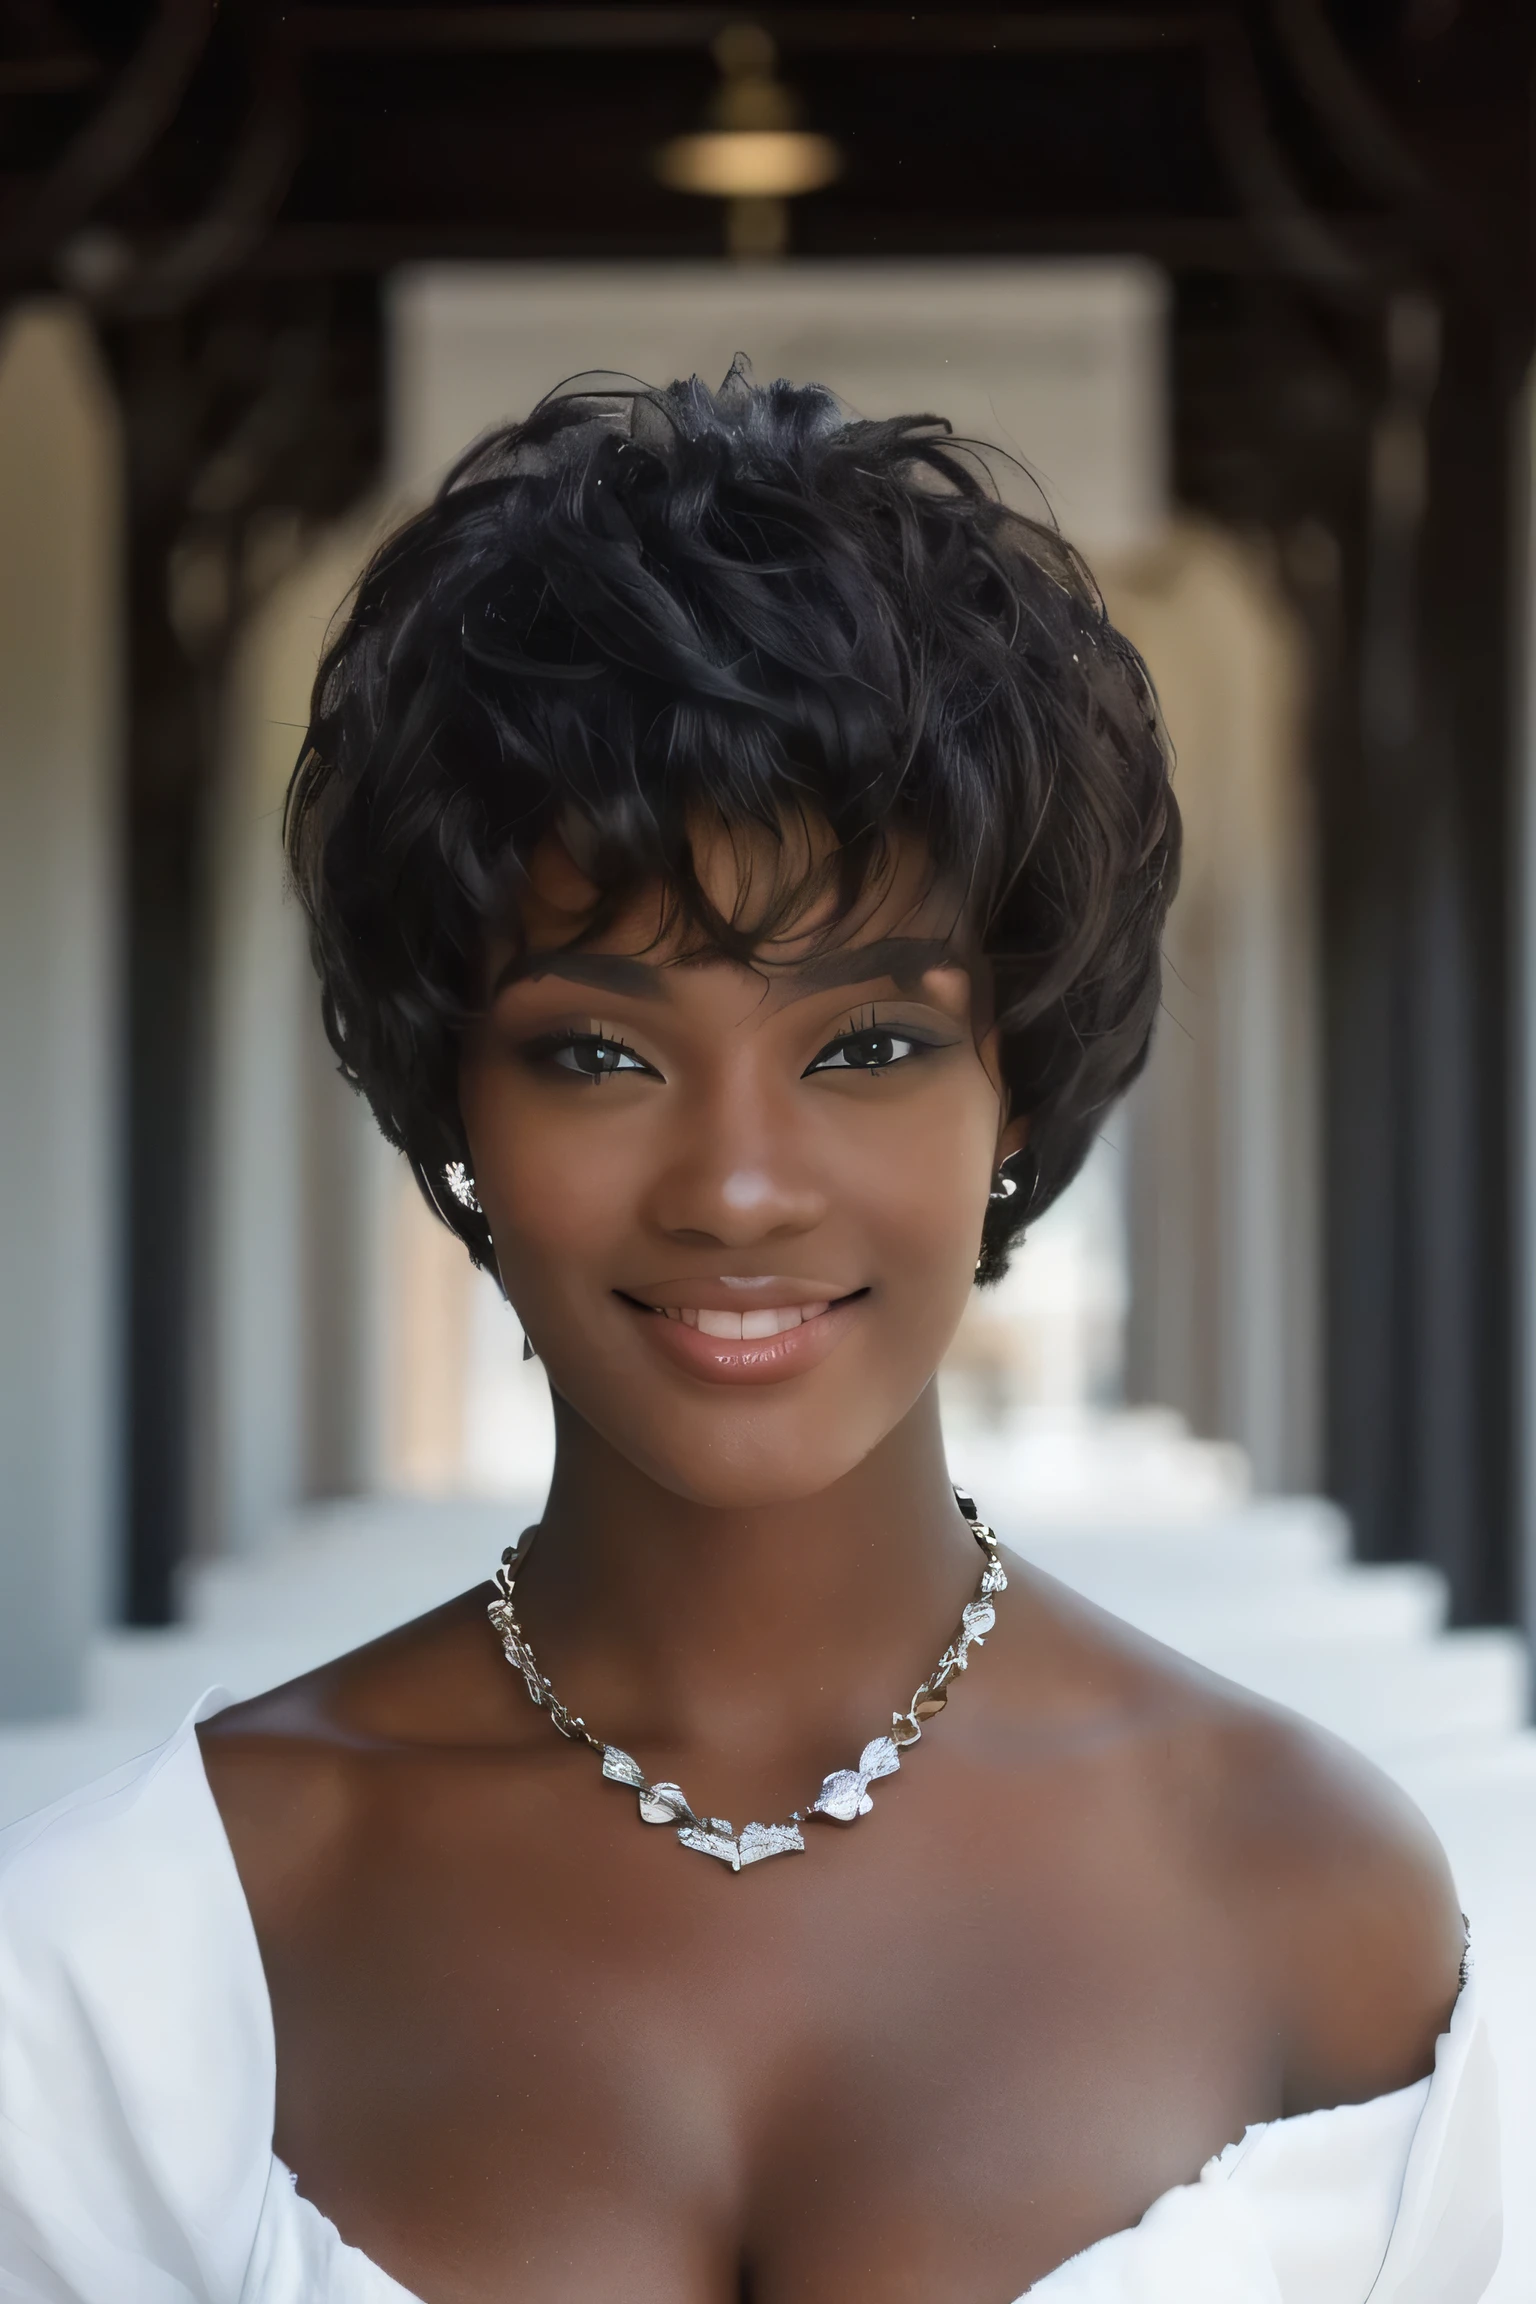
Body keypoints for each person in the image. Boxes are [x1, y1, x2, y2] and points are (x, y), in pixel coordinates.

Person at [0, 368, 1500, 2303]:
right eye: (597, 1051)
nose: (738, 1187)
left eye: (867, 1045)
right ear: (455, 1103)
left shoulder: (1328, 1912)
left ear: (1017, 1088)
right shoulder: (130, 1951)